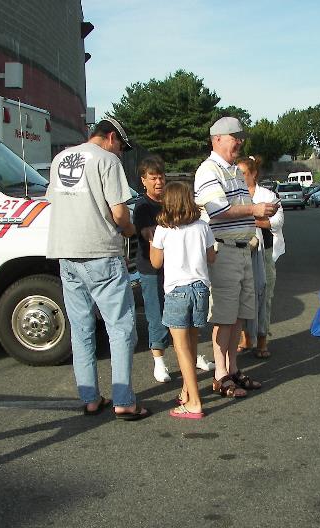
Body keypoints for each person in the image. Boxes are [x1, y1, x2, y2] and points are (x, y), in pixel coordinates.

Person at [46, 116, 149, 421]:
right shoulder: (107, 161)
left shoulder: (60, 158)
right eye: (121, 146)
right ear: (110, 137)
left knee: (80, 330)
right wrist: (131, 229)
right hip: (100, 252)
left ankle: (90, 398)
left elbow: (56, 202)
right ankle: (124, 400)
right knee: (119, 328)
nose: (121, 153)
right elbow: (119, 213)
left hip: (66, 254)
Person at [194, 117, 277, 398]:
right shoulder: (208, 170)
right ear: (216, 139)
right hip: (225, 250)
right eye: (234, 136)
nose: (239, 142)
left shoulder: (234, 171)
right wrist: (255, 210)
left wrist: (259, 211)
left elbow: (238, 209)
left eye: (241, 137)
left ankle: (232, 369)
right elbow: (217, 211)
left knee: (239, 315)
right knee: (225, 317)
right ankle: (220, 375)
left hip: (243, 250)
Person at [132, 155, 216, 383]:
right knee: (156, 315)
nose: (159, 182)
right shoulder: (142, 206)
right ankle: (159, 362)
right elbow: (149, 235)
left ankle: (195, 354)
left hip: (181, 272)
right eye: (153, 178)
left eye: (161, 177)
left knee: (191, 319)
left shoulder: (170, 202)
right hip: (153, 270)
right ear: (144, 180)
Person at [150, 182, 216, 419]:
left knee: (180, 348)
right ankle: (187, 390)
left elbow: (156, 262)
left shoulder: (163, 229)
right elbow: (211, 258)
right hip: (200, 289)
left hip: (177, 291)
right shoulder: (202, 226)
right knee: (193, 341)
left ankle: (194, 402)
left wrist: (151, 244)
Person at [235, 156, 285, 359]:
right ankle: (246, 337)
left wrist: (248, 218)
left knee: (264, 297)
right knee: (241, 296)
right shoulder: (233, 195)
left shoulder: (268, 195)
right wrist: (258, 217)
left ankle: (262, 340)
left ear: (254, 174)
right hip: (239, 251)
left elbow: (277, 222)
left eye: (243, 173)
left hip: (264, 253)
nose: (239, 177)